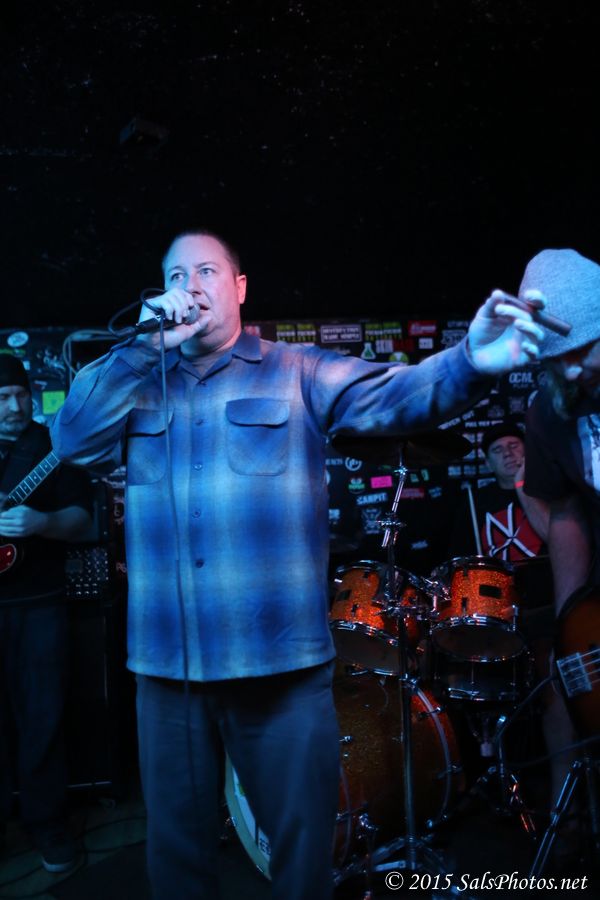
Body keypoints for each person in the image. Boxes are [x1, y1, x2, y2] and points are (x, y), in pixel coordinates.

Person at [50, 230, 543, 900]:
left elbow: (399, 394)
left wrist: (471, 363)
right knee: (176, 858)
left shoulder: (298, 371)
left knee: (304, 856)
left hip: (279, 666)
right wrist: (141, 349)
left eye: (206, 271)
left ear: (239, 287)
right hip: (168, 668)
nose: (190, 286)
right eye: (175, 276)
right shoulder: (135, 383)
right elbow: (72, 440)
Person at [0, 355, 93, 872]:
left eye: (20, 395)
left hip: (38, 604)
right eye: (2, 398)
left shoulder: (55, 447)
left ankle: (48, 822)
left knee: (44, 717)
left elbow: (80, 519)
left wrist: (41, 522)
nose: (15, 406)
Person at [520, 249, 600, 832]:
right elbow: (568, 509)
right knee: (566, 687)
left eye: (581, 352)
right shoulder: (549, 412)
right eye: (554, 361)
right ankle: (568, 825)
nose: (569, 373)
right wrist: (573, 626)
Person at [448, 420, 549, 562]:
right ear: (488, 464)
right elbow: (461, 560)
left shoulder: (549, 489)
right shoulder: (474, 503)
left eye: (513, 445)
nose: (507, 453)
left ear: (528, 451)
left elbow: (556, 538)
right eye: (497, 450)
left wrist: (520, 482)